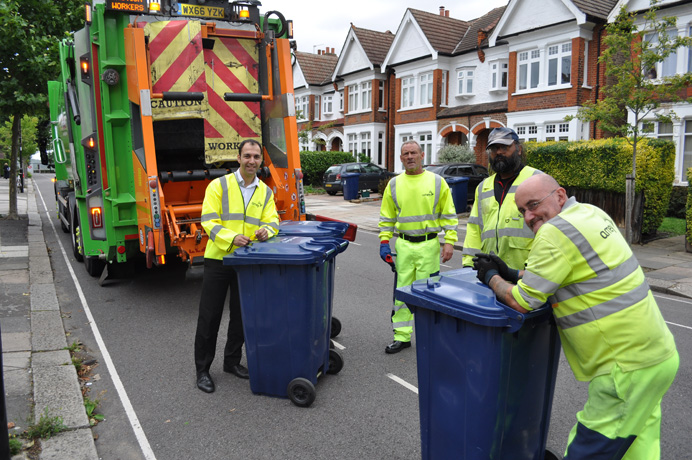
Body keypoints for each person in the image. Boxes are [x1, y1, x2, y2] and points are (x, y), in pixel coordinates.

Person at [473, 174, 678, 460]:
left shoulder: (554, 232)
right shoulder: (591, 214)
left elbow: (522, 302)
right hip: (658, 357)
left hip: (625, 368)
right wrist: (511, 273)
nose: (529, 216)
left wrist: (492, 278)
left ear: (559, 195)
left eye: (533, 205)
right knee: (638, 447)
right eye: (522, 211)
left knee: (588, 450)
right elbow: (568, 270)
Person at [194, 139, 280, 393]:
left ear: (260, 160)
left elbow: (273, 220)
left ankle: (232, 362)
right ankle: (202, 371)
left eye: (256, 157)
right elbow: (208, 220)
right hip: (219, 259)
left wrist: (266, 230)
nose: (251, 161)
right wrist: (231, 238)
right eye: (247, 156)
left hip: (246, 261)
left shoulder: (265, 191)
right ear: (238, 158)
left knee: (241, 316)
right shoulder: (218, 185)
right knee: (209, 317)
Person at [378, 140, 458, 353]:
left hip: (428, 245)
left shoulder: (437, 182)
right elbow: (387, 217)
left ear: (422, 155)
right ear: (401, 158)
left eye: (414, 152)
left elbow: (449, 214)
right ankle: (402, 337)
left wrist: (449, 241)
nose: (410, 156)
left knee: (429, 292)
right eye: (406, 154)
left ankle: (429, 336)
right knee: (402, 293)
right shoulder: (394, 184)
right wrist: (384, 241)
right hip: (403, 245)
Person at [462, 127, 542, 271]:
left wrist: (533, 269)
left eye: (504, 147)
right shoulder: (483, 187)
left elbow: (550, 230)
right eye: (494, 149)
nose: (498, 152)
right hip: (489, 273)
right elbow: (474, 228)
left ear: (518, 149)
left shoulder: (537, 180)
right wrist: (469, 263)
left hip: (527, 273)